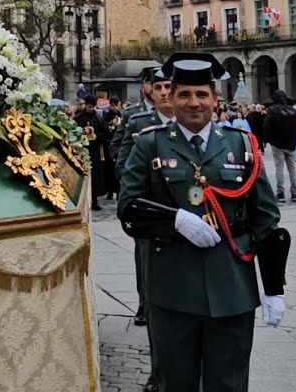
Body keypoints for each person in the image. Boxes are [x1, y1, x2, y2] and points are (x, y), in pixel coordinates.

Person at [117, 52, 289, 392]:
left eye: (201, 94)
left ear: (215, 98)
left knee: (229, 381)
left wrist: (273, 289)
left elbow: (265, 218)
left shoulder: (242, 146)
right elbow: (129, 208)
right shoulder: (149, 144)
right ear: (170, 97)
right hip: (171, 287)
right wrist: (175, 219)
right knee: (174, 381)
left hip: (232, 288)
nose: (193, 103)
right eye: (184, 94)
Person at [114, 67, 174, 390]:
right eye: (160, 86)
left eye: (169, 87)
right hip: (152, 220)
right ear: (149, 89)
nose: (164, 92)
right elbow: (121, 156)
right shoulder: (137, 122)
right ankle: (158, 370)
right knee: (150, 280)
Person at [263, 91, 296, 203]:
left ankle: (281, 193)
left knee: (279, 167)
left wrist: (267, 140)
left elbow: (266, 126)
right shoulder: (292, 110)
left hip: (277, 143)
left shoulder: (273, 110)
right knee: (292, 168)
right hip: (291, 143)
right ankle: (294, 193)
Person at [74, 96, 108, 211]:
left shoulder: (98, 118)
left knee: (95, 177)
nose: (90, 108)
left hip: (95, 152)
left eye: (92, 106)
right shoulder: (78, 118)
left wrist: (96, 136)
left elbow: (105, 133)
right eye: (88, 106)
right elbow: (73, 133)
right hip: (82, 151)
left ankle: (94, 200)